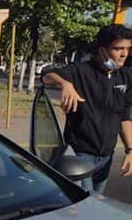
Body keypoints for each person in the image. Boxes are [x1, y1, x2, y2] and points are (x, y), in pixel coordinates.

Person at [41, 24, 132, 193]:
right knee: (83, 206)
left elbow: (125, 116)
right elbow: (46, 75)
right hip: (80, 156)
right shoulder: (81, 71)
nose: (124, 54)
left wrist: (130, 150)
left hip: (106, 156)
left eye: (127, 48)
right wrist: (65, 83)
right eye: (118, 48)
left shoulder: (125, 76)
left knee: (95, 207)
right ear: (102, 50)